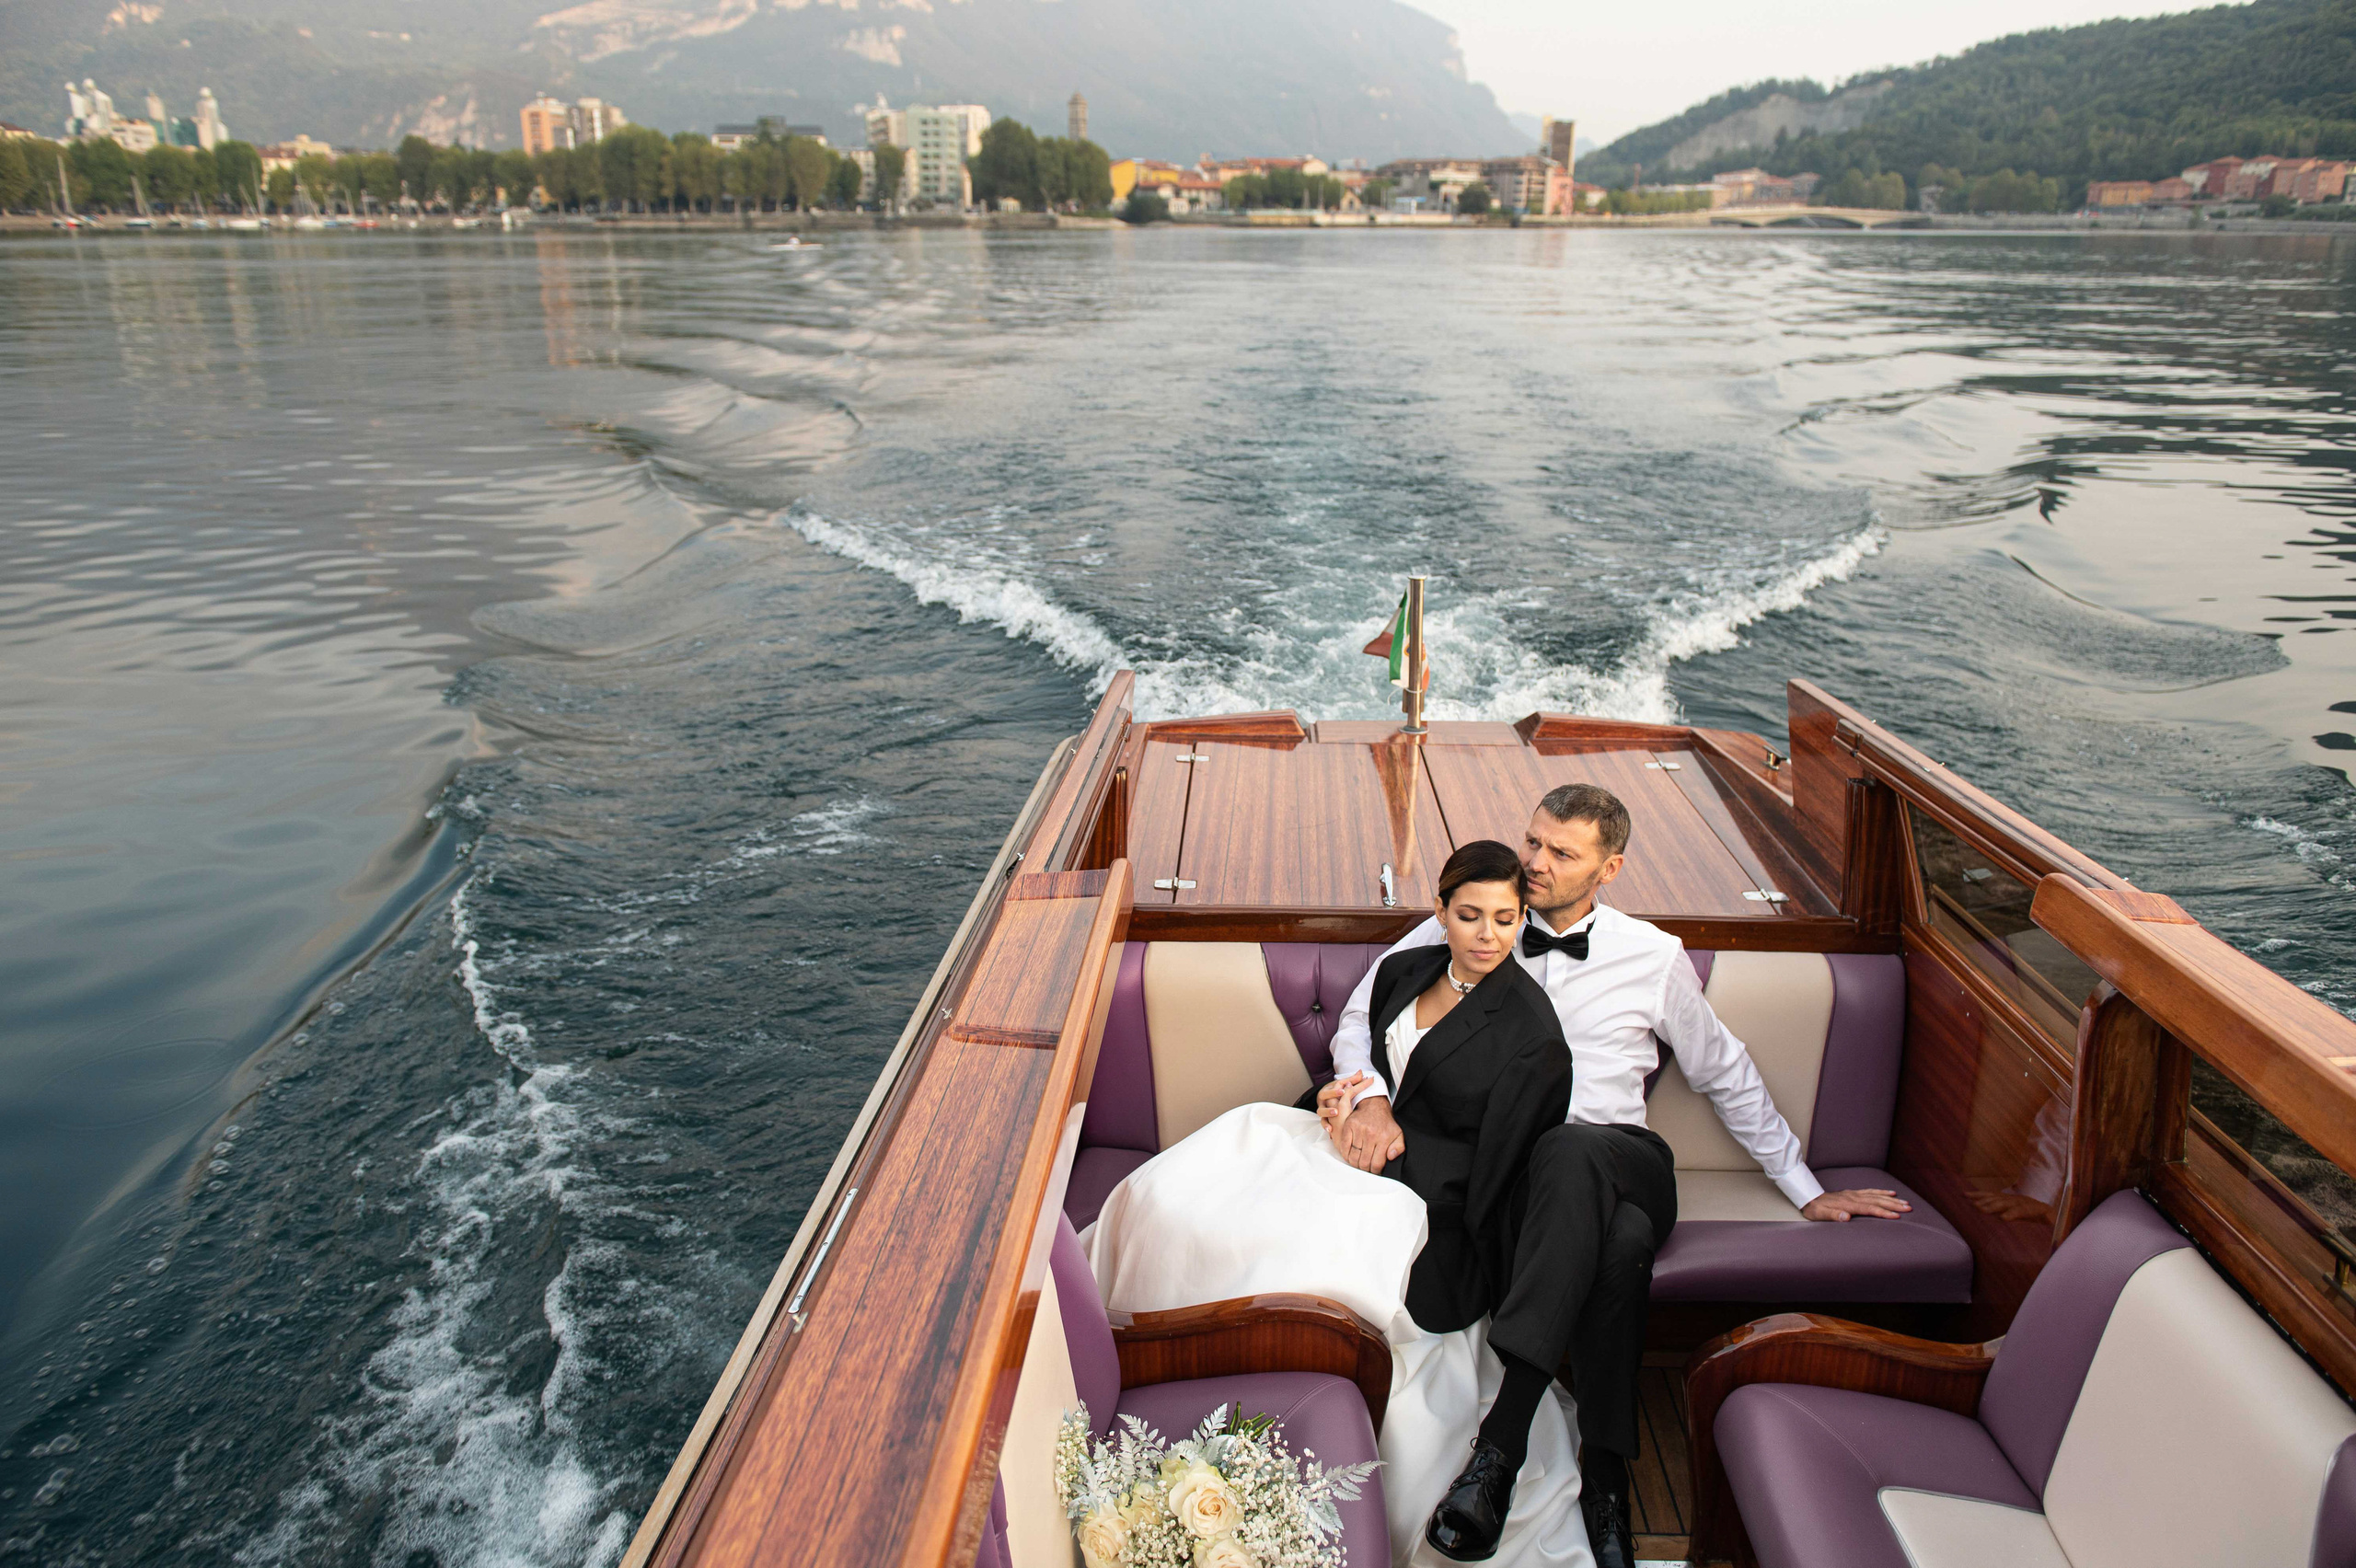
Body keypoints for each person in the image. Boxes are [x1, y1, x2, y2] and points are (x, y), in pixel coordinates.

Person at [1322, 782, 1911, 1567]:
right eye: (1533, 842)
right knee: (1618, 1245)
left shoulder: (1653, 956)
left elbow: (1724, 1072)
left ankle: (1499, 1452)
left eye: (1561, 853)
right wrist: (1370, 1099)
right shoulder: (1475, 918)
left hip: (1626, 1160)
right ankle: (1607, 1484)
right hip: (1526, 1185)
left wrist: (1805, 1187)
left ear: (1611, 868)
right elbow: (1366, 1015)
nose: (1535, 863)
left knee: (1576, 1154)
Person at [1084, 841, 1595, 1567]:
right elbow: (1369, 1066)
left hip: (1423, 1204)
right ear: (1442, 914)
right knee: (1178, 1193)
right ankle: (1121, 1350)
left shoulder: (1535, 1036)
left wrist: (1387, 1144)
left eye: (1507, 920)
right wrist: (1348, 1100)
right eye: (1472, 916)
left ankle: (1222, 1399)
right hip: (1335, 1145)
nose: (1489, 936)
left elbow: (1499, 1179)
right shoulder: (1406, 969)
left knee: (1277, 1250)